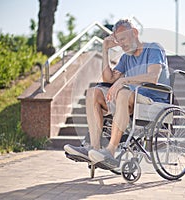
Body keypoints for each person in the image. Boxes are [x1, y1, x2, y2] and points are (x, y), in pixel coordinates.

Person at [64, 19, 170, 169]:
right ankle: (93, 148)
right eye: (118, 41)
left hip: (152, 100)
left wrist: (123, 81)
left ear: (134, 33)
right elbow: (108, 79)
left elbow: (153, 77)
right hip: (130, 99)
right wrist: (104, 50)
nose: (121, 44)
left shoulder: (154, 49)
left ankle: (110, 152)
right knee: (93, 92)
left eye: (123, 39)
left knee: (123, 93)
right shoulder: (126, 57)